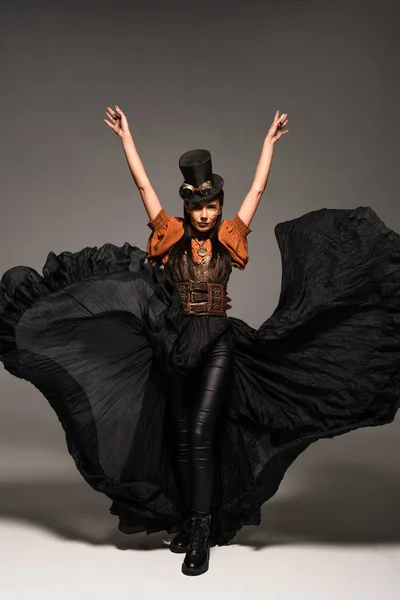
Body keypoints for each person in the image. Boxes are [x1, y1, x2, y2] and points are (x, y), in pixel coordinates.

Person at [1, 106, 400, 578]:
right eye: (198, 206)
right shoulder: (171, 236)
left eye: (212, 205)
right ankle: (192, 522)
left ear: (219, 205)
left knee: (198, 436)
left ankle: (200, 535)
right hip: (174, 343)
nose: (206, 213)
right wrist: (127, 138)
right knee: (180, 437)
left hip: (217, 343)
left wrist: (267, 146)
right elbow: (144, 187)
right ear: (187, 207)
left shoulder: (230, 236)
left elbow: (257, 191)